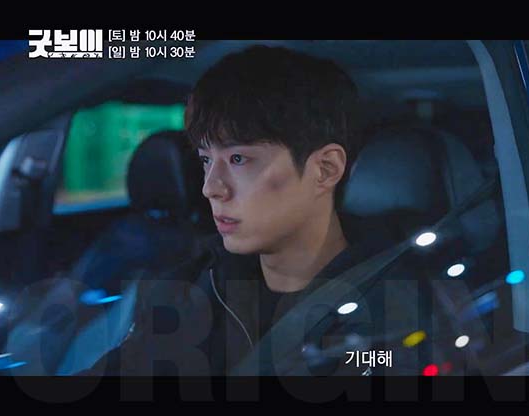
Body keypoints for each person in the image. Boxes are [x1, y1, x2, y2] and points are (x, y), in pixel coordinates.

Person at [78, 46, 437, 376]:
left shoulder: (400, 307)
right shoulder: (190, 289)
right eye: (206, 160)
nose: (210, 187)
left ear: (325, 170)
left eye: (238, 159)